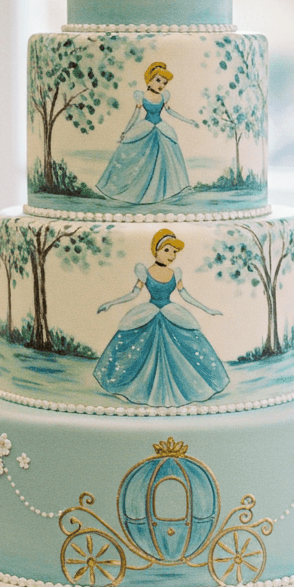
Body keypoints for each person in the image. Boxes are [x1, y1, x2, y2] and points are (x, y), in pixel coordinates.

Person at [94, 228, 229, 407]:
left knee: (188, 345)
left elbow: (185, 295)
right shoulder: (145, 272)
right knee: (135, 349)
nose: (171, 255)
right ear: (155, 250)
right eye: (167, 250)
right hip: (149, 313)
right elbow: (134, 294)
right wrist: (111, 303)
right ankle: (131, 387)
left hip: (171, 313)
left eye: (174, 251)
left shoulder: (175, 273)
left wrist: (207, 309)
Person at [96, 61, 199, 203]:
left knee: (167, 159)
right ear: (149, 80)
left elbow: (171, 112)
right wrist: (125, 131)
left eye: (164, 82)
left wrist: (188, 120)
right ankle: (132, 192)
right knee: (141, 160)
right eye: (158, 80)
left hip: (161, 128)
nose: (161, 85)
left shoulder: (164, 96)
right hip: (146, 128)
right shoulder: (141, 96)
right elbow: (135, 115)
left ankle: (166, 192)